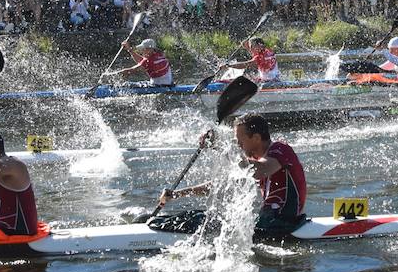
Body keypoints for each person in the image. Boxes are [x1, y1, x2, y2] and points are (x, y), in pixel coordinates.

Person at [158, 114, 307, 232]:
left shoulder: (280, 149)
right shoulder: (254, 159)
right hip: (269, 219)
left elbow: (260, 171)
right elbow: (221, 185)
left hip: (283, 221)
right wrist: (178, 194)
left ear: (256, 138)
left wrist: (225, 149)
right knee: (198, 217)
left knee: (204, 223)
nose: (238, 145)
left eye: (240, 141)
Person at [106, 38, 174, 87]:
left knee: (127, 85)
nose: (141, 51)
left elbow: (130, 70)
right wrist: (129, 50)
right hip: (168, 84)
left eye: (143, 49)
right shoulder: (159, 55)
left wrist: (110, 75)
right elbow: (142, 61)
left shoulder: (149, 61)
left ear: (148, 50)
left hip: (158, 86)